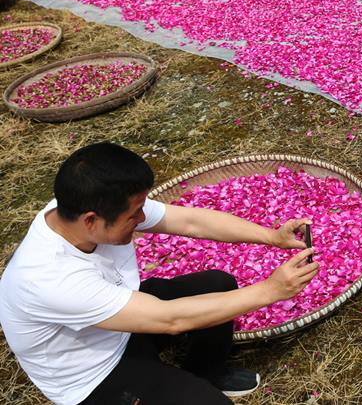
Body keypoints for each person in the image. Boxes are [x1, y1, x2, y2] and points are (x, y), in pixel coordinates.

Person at [0, 142, 320, 405]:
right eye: (134, 214)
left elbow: (190, 222)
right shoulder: (48, 278)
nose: (143, 217)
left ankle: (206, 373)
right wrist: (270, 291)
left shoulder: (80, 206)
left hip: (118, 319)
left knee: (218, 285)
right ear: (90, 221)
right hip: (92, 374)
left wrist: (271, 236)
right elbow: (170, 319)